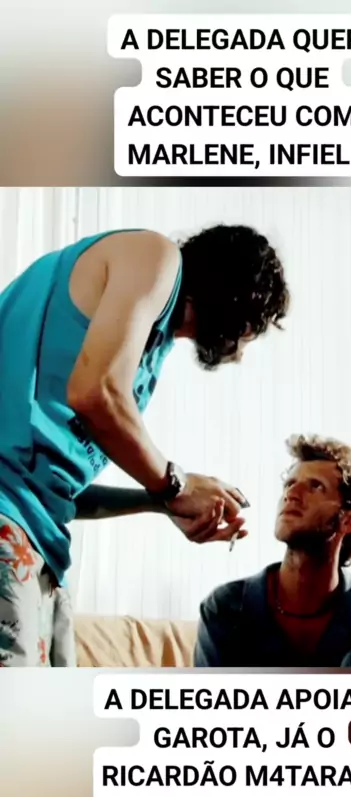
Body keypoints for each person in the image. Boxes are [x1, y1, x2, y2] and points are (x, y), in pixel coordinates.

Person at [0, 225, 289, 666]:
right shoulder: (155, 256)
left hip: (40, 540)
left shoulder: (150, 343)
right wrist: (176, 484)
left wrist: (160, 501)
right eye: (253, 332)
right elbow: (94, 393)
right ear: (241, 306)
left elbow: (60, 491)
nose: (242, 350)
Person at [195, 434, 351, 667]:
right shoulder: (225, 608)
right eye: (289, 484)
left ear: (350, 520)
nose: (291, 494)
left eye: (315, 486)